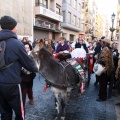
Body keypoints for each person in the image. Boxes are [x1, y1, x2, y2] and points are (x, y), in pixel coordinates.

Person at [0, 16, 38, 120]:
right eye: (16, 27)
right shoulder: (17, 44)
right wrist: (37, 67)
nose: (16, 29)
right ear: (12, 28)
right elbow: (29, 64)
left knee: (4, 112)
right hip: (13, 84)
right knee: (19, 113)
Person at [21, 42, 36, 107]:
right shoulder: (20, 55)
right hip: (22, 75)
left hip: (30, 75)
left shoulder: (32, 56)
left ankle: (31, 98)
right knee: (23, 90)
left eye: (28, 48)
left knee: (29, 88)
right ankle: (23, 102)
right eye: (25, 48)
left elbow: (34, 65)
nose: (27, 49)